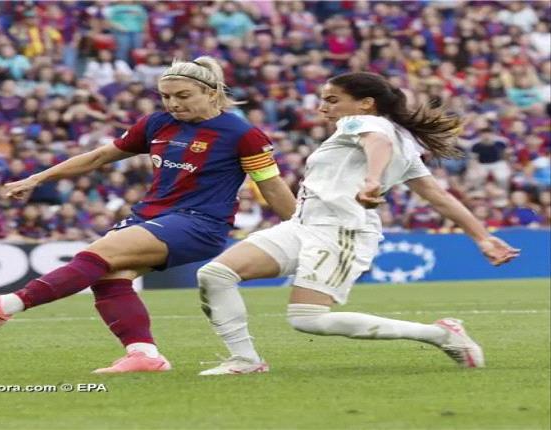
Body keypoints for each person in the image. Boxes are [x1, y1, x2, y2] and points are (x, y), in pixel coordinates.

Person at [0, 56, 297, 373]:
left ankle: (2, 305)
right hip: (151, 215)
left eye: (183, 96)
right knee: (108, 276)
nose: (173, 103)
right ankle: (144, 354)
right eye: (166, 96)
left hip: (200, 222)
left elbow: (271, 186)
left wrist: (303, 230)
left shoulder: (242, 134)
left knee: (98, 254)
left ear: (211, 93)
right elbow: (98, 157)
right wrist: (38, 178)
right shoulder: (157, 124)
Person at [197, 72, 520, 375]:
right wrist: (482, 237)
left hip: (340, 231)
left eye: (332, 100)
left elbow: (377, 142)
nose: (323, 107)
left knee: (307, 319)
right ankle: (245, 360)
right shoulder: (402, 141)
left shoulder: (364, 122)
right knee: (216, 274)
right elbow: (439, 196)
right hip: (303, 224)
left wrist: (372, 179)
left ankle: (440, 334)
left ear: (366, 103)